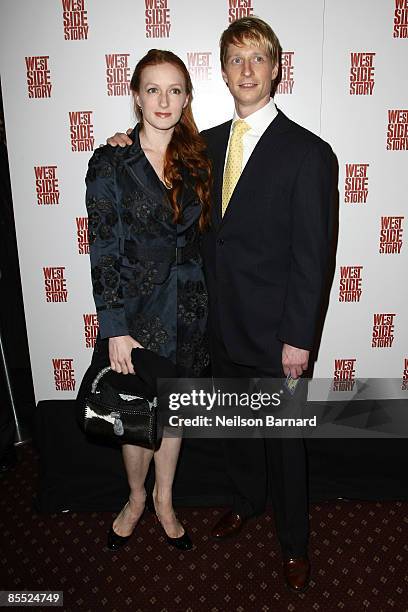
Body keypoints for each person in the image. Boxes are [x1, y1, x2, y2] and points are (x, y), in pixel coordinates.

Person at [106, 17, 333, 592]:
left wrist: (299, 338)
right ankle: (245, 502)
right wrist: (122, 142)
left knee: (285, 444)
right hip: (215, 325)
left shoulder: (310, 153)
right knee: (235, 431)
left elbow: (314, 257)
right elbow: (151, 176)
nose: (247, 70)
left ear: (276, 68)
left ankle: (294, 542)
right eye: (236, 60)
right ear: (224, 73)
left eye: (258, 58)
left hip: (277, 333)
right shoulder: (201, 145)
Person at [84, 49, 211, 552]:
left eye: (175, 89)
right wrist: (115, 327)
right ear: (135, 96)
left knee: (174, 413)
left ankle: (165, 500)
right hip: (135, 317)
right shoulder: (111, 161)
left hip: (191, 310)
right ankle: (135, 498)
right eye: (153, 89)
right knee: (135, 417)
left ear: (186, 98)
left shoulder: (198, 157)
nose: (164, 100)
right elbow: (104, 250)